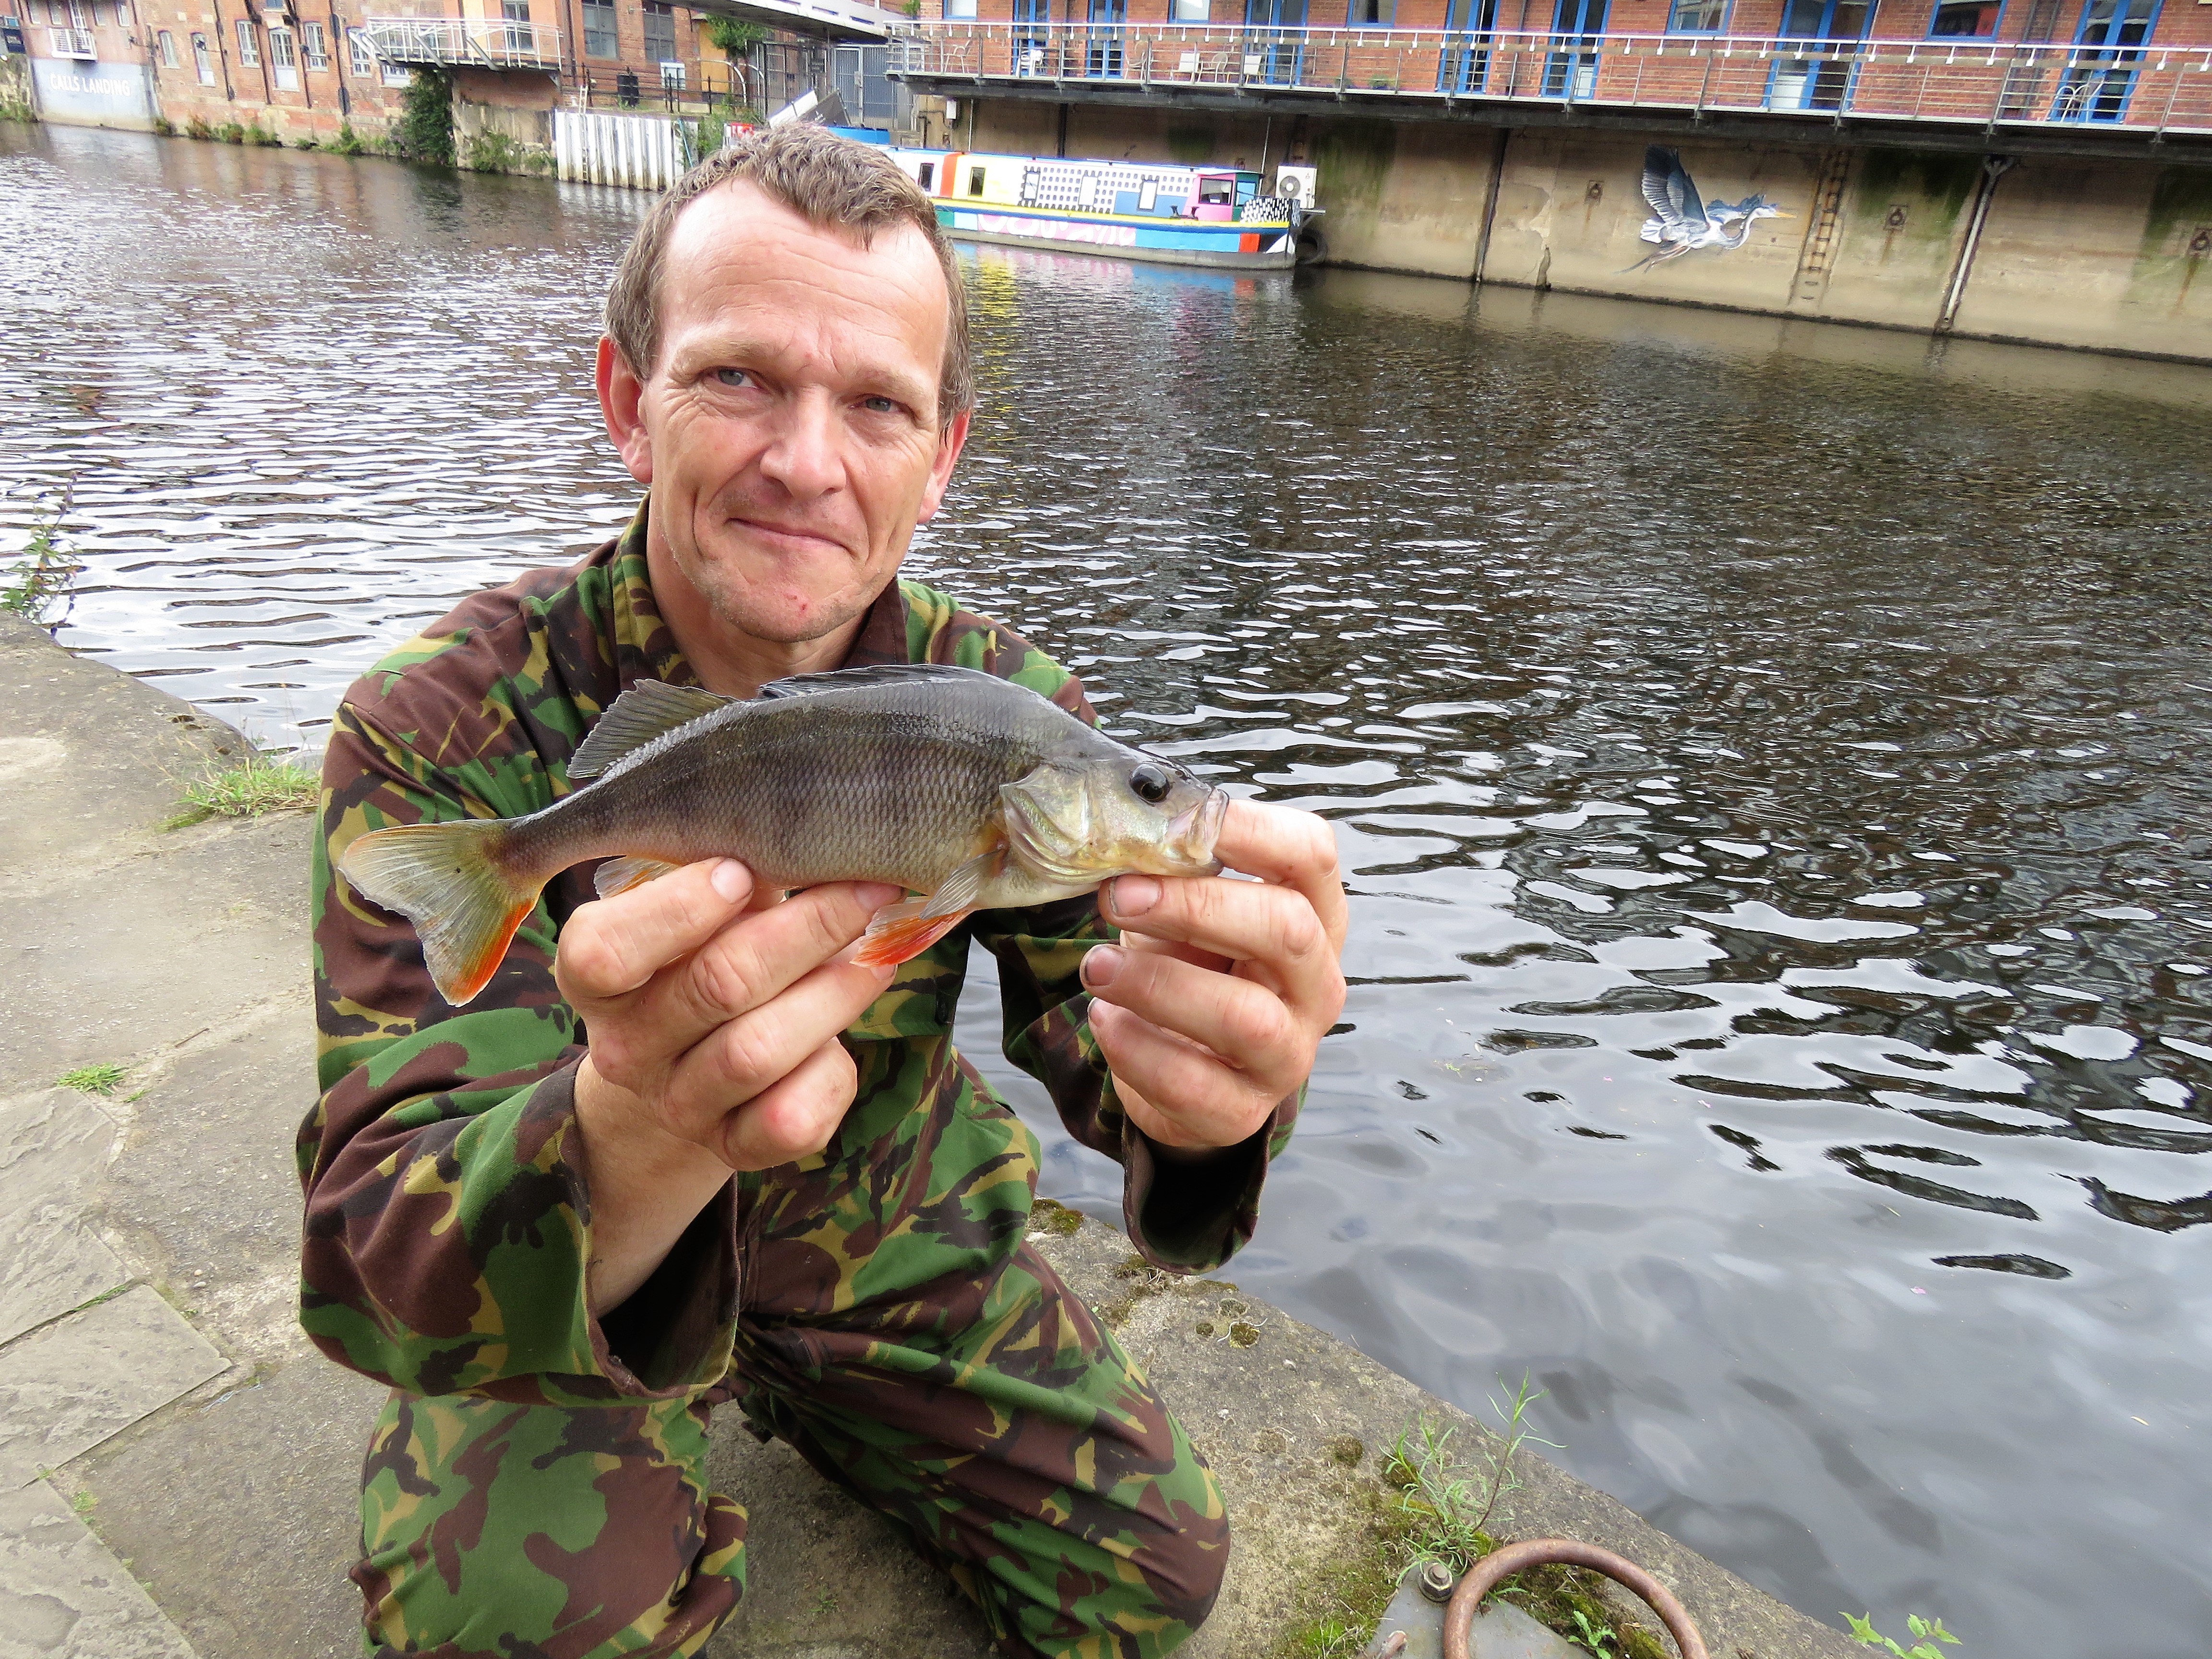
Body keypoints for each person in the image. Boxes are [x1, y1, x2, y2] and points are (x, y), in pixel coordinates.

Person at [302, 125, 1346, 1659]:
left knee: (1159, 1576)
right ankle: (658, 1422)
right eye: (737, 378)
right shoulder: (436, 724)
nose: (806, 460)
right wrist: (634, 1130)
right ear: (627, 405)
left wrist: (1214, 1102)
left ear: (942, 460)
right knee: (505, 1630)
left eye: (877, 404)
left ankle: (805, 1378)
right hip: (570, 1256)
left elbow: (1113, 1069)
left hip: (877, 1231)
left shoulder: (1011, 708)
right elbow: (368, 1253)